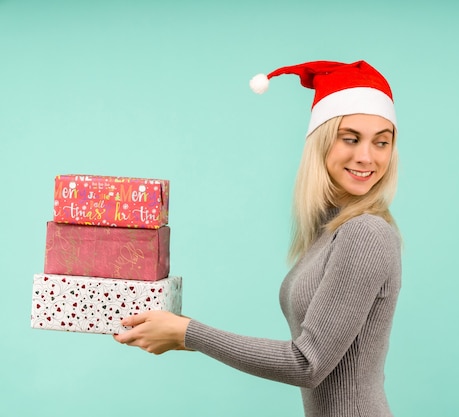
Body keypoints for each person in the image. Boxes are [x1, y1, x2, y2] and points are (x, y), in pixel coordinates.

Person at [114, 60, 402, 417]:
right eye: (351, 138)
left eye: (382, 142)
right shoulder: (331, 230)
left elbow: (307, 363)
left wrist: (188, 334)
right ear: (322, 141)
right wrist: (177, 331)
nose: (366, 157)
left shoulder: (366, 232)